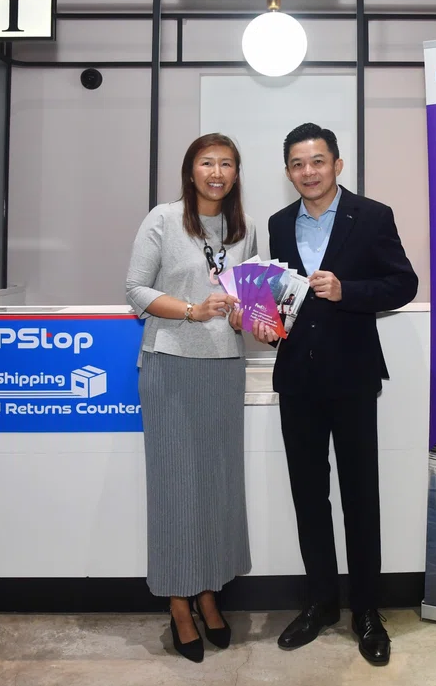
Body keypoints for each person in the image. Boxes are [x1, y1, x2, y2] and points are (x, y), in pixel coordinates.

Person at [253, 122, 418, 666]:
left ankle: (366, 611)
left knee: (360, 497)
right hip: (297, 378)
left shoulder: (372, 216)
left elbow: (404, 284)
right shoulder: (277, 225)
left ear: (337, 165)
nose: (308, 172)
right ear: (288, 171)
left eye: (318, 161)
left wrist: (350, 292)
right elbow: (277, 300)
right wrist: (262, 320)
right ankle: (321, 602)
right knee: (308, 495)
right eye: (298, 164)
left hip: (351, 377)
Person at [125, 133, 258, 663]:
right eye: (208, 162)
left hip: (224, 369)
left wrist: (247, 314)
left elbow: (247, 306)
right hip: (171, 367)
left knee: (217, 486)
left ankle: (209, 591)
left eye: (227, 164)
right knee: (176, 487)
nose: (217, 172)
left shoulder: (244, 230)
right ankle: (180, 603)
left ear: (235, 173)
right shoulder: (161, 219)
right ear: (191, 170)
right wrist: (189, 310)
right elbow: (135, 289)